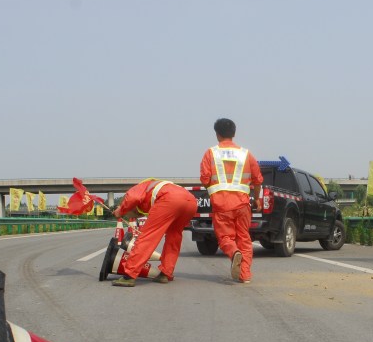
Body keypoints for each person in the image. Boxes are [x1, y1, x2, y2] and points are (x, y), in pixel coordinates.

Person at [200, 118, 264, 283]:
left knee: (225, 238)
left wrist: (216, 190)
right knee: (244, 238)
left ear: (217, 134)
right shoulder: (246, 154)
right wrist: (257, 199)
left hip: (221, 204)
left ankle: (234, 252)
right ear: (234, 134)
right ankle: (245, 275)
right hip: (242, 204)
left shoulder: (210, 153)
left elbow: (205, 179)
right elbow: (258, 180)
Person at [111, 178, 197, 287]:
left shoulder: (139, 188)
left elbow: (133, 198)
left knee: (148, 237)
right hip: (191, 202)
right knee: (174, 237)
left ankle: (129, 275)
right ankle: (165, 273)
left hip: (170, 199)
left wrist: (120, 210)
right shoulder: (154, 188)